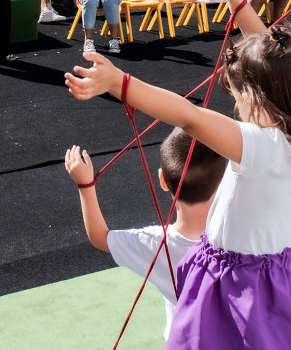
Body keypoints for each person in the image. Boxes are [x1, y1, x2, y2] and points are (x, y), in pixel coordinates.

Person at [65, 0, 291, 348]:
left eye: (241, 93)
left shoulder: (261, 147)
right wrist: (236, 1)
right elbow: (284, 64)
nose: (237, 102)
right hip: (280, 276)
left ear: (263, 98)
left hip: (237, 285)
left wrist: (120, 82)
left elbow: (189, 116)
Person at [64, 128, 226, 341]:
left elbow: (100, 236)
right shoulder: (241, 233)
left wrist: (85, 184)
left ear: (162, 180)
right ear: (224, 182)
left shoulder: (155, 243)